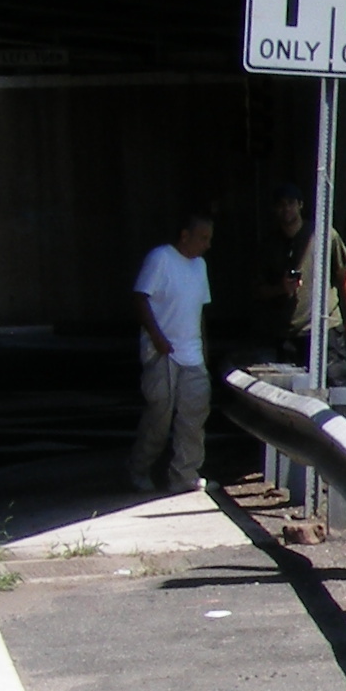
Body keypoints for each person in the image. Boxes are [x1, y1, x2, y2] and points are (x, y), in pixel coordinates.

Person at [130, 209, 214, 494]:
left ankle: (184, 475)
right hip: (163, 353)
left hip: (192, 354)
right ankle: (139, 469)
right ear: (185, 236)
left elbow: (200, 310)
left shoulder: (200, 266)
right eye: (203, 238)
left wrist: (204, 348)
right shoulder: (160, 259)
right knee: (159, 417)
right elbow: (141, 298)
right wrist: (157, 338)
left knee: (193, 418)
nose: (207, 244)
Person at [272, 181, 346, 370]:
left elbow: (344, 277)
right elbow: (257, 290)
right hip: (289, 334)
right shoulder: (270, 244)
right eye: (281, 204)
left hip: (326, 329)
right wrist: (282, 288)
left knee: (335, 390)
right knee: (294, 396)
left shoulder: (325, 236)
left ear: (300, 205)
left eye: (291, 203)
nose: (286, 208)